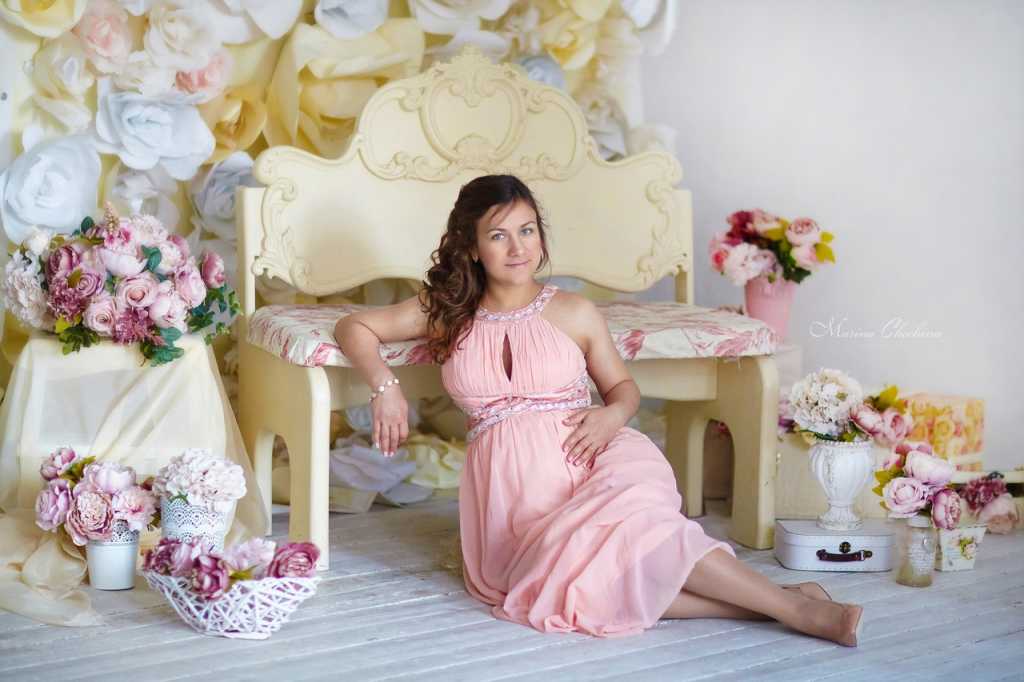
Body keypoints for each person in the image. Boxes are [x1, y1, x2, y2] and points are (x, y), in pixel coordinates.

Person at [334, 174, 864, 645]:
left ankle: (801, 613)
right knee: (575, 587)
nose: (518, 248)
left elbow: (623, 390)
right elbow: (353, 327)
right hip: (510, 501)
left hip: (591, 463)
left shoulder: (574, 312)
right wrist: (386, 386)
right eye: (498, 235)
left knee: (637, 535)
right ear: (471, 247)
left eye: (527, 230)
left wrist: (612, 416)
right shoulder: (448, 311)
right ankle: (783, 600)